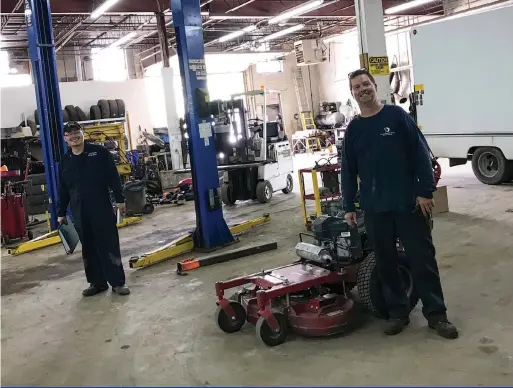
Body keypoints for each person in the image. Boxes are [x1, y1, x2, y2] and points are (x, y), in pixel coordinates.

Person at [341, 69, 458, 339]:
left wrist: (424, 191)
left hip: (408, 205)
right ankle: (398, 313)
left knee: (422, 259)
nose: (362, 89)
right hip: (374, 208)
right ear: (352, 93)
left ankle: (437, 315)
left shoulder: (396, 116)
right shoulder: (354, 130)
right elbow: (347, 170)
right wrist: (348, 205)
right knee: (385, 262)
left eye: (366, 84)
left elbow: (420, 154)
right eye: (357, 87)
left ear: (374, 86)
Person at [58, 122, 130, 297]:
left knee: (108, 243)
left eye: (77, 132)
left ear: (83, 133)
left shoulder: (99, 153)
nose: (74, 136)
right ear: (65, 138)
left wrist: (120, 199)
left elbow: (113, 176)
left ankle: (117, 283)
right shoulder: (65, 160)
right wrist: (61, 212)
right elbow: (63, 189)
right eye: (69, 134)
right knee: (88, 247)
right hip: (79, 209)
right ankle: (97, 283)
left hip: (101, 206)